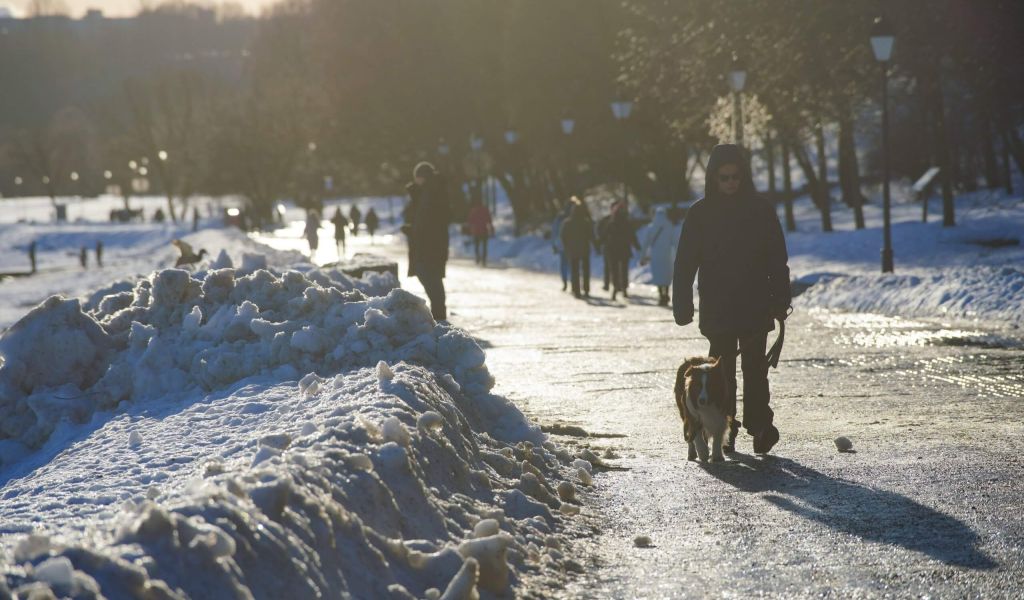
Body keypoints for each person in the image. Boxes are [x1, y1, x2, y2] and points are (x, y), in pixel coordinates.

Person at [673, 143, 791, 455]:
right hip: (718, 306)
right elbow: (685, 261)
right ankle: (726, 426)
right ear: (713, 178)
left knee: (756, 370)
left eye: (735, 176)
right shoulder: (700, 214)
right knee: (720, 373)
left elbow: (777, 259)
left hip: (755, 303)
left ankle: (760, 426)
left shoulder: (760, 211)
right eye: (723, 177)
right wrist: (682, 302)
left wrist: (780, 298)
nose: (730, 183)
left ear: (744, 176)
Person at [405, 162, 450, 321]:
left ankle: (439, 318)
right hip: (431, 244)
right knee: (432, 279)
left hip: (430, 246)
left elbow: (429, 220)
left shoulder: (431, 191)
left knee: (430, 278)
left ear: (420, 177)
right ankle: (439, 317)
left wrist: (415, 231)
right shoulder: (430, 191)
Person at [641, 206, 679, 306]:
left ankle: (660, 296)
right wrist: (678, 254)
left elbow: (645, 243)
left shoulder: (651, 227)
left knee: (658, 275)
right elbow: (675, 242)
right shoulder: (669, 226)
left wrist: (643, 255)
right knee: (666, 275)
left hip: (655, 255)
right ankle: (666, 294)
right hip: (667, 255)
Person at [559, 198, 596, 298]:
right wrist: (595, 246)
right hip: (584, 249)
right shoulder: (586, 222)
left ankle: (576, 289)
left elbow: (563, 236)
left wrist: (566, 246)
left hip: (573, 250)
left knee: (574, 270)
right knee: (585, 270)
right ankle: (586, 288)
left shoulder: (567, 223)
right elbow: (591, 235)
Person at [604, 203, 639, 301]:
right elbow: (632, 236)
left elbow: (605, 235)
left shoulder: (612, 222)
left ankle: (615, 288)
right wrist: (637, 246)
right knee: (624, 271)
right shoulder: (627, 223)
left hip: (613, 250)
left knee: (614, 271)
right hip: (624, 249)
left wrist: (601, 244)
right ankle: (624, 289)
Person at [551, 202, 572, 291]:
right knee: (571, 264)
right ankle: (573, 281)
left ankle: (565, 282)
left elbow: (554, 232)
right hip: (571, 245)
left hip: (561, 245)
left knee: (564, 264)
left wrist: (554, 245)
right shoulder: (572, 218)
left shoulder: (559, 218)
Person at [466, 197, 494, 266]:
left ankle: (478, 257)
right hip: (484, 230)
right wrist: (491, 228)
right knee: (484, 246)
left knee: (477, 246)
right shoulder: (485, 210)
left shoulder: (473, 211)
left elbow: (470, 221)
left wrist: (470, 229)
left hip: (476, 231)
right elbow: (489, 220)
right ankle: (484, 260)